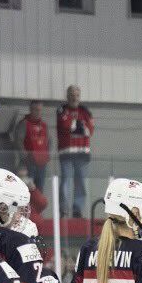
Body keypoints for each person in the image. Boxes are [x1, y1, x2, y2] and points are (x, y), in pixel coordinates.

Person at [56, 85, 93, 217]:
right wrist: (80, 126)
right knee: (65, 181)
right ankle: (63, 210)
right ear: (67, 96)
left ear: (79, 96)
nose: (74, 97)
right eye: (71, 94)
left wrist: (75, 125)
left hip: (82, 153)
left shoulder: (85, 111)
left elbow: (90, 131)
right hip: (66, 153)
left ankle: (77, 210)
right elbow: (66, 126)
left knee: (81, 182)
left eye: (76, 94)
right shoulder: (61, 110)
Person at [14, 100, 50, 194]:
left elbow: (49, 141)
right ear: (31, 110)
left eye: (39, 110)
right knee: (28, 188)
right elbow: (18, 140)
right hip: (29, 163)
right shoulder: (25, 123)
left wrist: (47, 155)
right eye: (35, 110)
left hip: (42, 163)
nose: (38, 112)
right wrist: (25, 156)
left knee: (39, 189)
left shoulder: (44, 125)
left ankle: (37, 208)